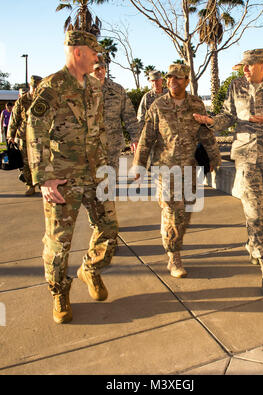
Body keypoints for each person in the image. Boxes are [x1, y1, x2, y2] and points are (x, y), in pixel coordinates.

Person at [26, 30, 119, 324]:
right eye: (93, 52)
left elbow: (99, 129)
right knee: (59, 243)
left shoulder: (93, 85)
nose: (97, 58)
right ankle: (59, 292)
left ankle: (90, 269)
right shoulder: (52, 87)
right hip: (63, 179)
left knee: (109, 229)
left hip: (96, 175)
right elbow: (34, 130)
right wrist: (44, 177)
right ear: (78, 52)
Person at [194, 48, 263, 296]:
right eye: (243, 66)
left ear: (262, 65)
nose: (245, 70)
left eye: (249, 66)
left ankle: (252, 241)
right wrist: (210, 122)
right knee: (253, 208)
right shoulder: (236, 86)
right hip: (245, 154)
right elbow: (227, 116)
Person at [133, 64, 221, 278]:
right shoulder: (158, 105)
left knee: (185, 211)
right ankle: (174, 256)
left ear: (186, 81)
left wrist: (214, 156)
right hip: (165, 168)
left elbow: (206, 134)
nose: (173, 81)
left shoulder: (196, 104)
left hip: (189, 167)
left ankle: (169, 235)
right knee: (174, 210)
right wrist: (139, 164)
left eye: (178, 78)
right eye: (170, 77)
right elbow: (147, 137)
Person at [91, 56, 139, 172]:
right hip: (89, 147)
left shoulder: (117, 90)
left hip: (113, 146)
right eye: (97, 69)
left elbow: (130, 116)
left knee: (110, 183)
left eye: (103, 68)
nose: (101, 71)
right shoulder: (81, 90)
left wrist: (135, 138)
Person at [7, 75, 43, 196]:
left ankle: (42, 184)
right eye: (35, 87)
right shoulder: (22, 101)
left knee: (41, 161)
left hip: (40, 136)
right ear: (30, 86)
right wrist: (10, 135)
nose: (36, 89)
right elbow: (14, 119)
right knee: (26, 162)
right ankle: (30, 185)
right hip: (24, 136)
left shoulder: (43, 100)